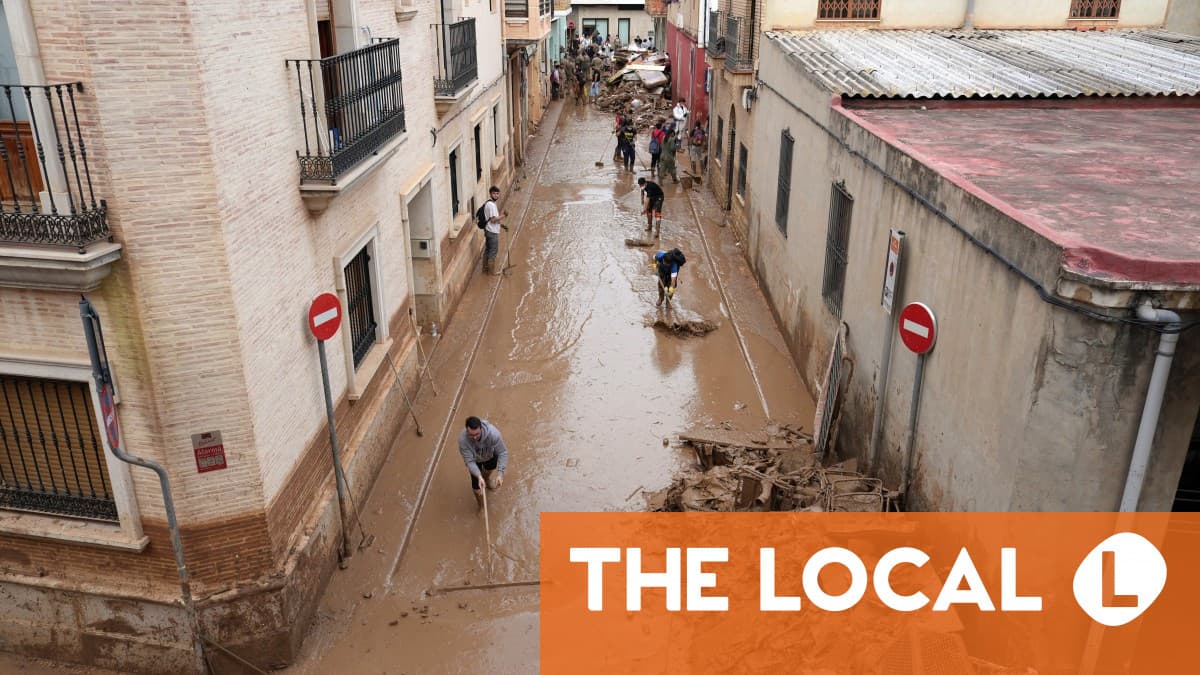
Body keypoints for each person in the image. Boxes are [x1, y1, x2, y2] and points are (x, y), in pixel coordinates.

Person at [459, 416, 509, 510]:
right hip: (474, 461)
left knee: (489, 470)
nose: (474, 437)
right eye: (471, 435)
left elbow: (503, 452)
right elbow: (469, 461)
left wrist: (500, 474)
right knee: (477, 488)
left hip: (490, 455)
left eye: (477, 434)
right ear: (466, 430)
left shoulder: (493, 434)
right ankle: (481, 506)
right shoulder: (463, 441)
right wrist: (478, 476)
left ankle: (486, 479)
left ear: (481, 428)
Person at [482, 185, 508, 275]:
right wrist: (504, 215)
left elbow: (491, 219)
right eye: (494, 193)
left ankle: (485, 268)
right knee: (493, 251)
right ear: (490, 194)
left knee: (488, 250)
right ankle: (491, 272)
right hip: (492, 232)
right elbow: (493, 220)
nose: (496, 195)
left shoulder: (488, 203)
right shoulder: (492, 205)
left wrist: (501, 225)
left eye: (497, 194)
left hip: (488, 230)